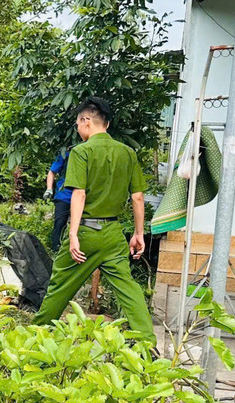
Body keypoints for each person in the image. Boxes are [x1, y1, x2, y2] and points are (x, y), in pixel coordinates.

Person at [35, 97, 154, 343]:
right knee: (128, 289)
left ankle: (34, 336)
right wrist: (138, 233)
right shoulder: (128, 153)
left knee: (60, 286)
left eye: (78, 124)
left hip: (87, 232)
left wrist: (73, 234)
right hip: (113, 234)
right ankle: (147, 343)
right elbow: (138, 196)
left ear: (86, 121)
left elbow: (79, 193)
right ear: (107, 125)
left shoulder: (81, 152)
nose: (78, 130)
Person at [45, 145, 74, 249]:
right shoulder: (65, 153)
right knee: (60, 222)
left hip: (82, 194)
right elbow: (52, 171)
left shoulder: (89, 152)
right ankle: (56, 249)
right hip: (64, 194)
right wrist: (49, 188)